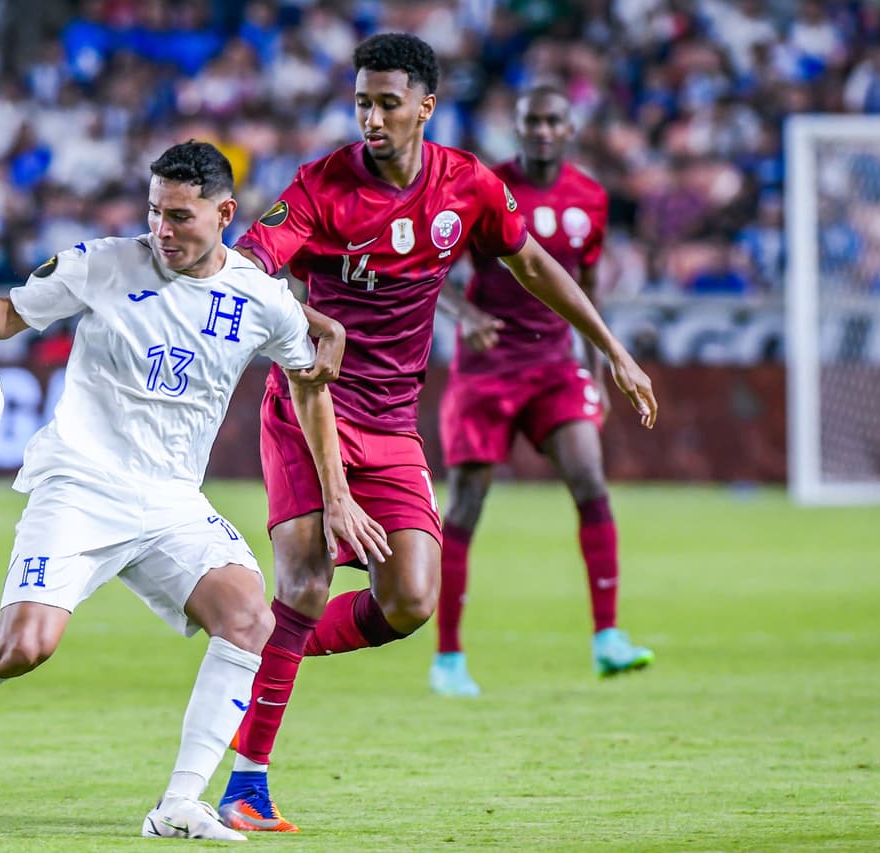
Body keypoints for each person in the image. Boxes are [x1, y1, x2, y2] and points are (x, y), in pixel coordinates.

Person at [0, 141, 387, 841]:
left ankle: (179, 804)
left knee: (250, 616)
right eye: (156, 212)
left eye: (181, 217)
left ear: (225, 213)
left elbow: (311, 385)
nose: (163, 229)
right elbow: (11, 311)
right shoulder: (102, 263)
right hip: (80, 483)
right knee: (24, 646)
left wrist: (336, 492)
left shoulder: (261, 298)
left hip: (170, 502)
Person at [216, 35, 658, 832]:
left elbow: (533, 265)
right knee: (308, 583)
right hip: (308, 406)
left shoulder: (467, 186)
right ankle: (246, 781)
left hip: (389, 419)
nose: (371, 117)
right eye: (361, 102)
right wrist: (312, 318)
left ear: (425, 105)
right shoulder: (321, 187)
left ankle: (257, 649)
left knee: (412, 596)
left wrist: (613, 349)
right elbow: (248, 267)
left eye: (387, 102)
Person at [430, 86, 655, 699]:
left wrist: (600, 364)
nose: (544, 130)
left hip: (556, 363)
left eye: (554, 120)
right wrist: (464, 317)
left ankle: (607, 637)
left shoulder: (590, 199)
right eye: (533, 120)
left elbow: (583, 289)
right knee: (467, 506)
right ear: (518, 126)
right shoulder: (482, 188)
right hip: (487, 366)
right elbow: (433, 272)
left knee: (590, 481)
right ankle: (448, 657)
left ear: (571, 126)